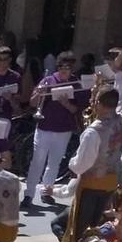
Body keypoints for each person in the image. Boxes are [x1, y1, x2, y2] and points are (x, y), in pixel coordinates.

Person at [63, 86, 122, 242]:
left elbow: (82, 164)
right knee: (99, 223)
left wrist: (72, 162)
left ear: (99, 103)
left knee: (82, 226)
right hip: (111, 181)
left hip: (92, 183)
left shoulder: (94, 131)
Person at [23, 50, 87, 206]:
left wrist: (65, 103)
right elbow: (32, 103)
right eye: (62, 68)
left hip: (64, 129)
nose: (65, 71)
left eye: (68, 68)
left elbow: (76, 110)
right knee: (37, 161)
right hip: (44, 126)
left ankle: (47, 190)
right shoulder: (48, 80)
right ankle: (29, 194)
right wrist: (39, 93)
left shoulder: (76, 84)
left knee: (55, 162)